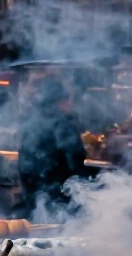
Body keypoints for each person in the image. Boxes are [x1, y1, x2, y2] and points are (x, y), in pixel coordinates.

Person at [17, 77, 90, 209]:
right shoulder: (65, 125)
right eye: (68, 98)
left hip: (33, 196)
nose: (70, 102)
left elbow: (24, 165)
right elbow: (76, 163)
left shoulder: (29, 122)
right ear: (59, 100)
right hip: (61, 199)